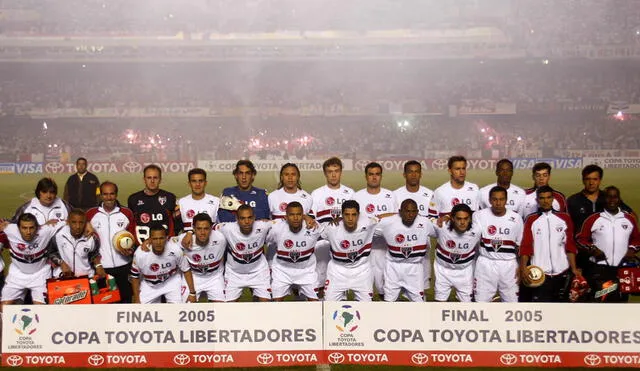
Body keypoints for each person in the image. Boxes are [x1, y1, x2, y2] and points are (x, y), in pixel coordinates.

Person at [576, 186, 640, 303]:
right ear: (603, 199)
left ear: (619, 199)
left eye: (615, 197)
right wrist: (592, 249)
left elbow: (637, 239)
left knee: (620, 302)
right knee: (599, 300)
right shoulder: (594, 219)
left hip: (622, 270)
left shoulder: (629, 219)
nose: (612, 200)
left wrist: (632, 249)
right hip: (600, 269)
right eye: (608, 197)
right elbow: (580, 239)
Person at [519, 186, 581, 302]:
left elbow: (570, 245)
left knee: (562, 311)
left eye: (548, 197)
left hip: (562, 272)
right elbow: (526, 246)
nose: (545, 201)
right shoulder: (531, 220)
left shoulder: (564, 218)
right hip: (540, 274)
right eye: (542, 198)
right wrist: (523, 268)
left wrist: (574, 269)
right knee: (541, 310)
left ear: (553, 199)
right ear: (537, 200)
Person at [376, 199, 436, 302]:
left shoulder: (425, 223)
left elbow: (442, 232)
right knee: (389, 301)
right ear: (400, 212)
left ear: (417, 212)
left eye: (413, 211)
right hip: (393, 268)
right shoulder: (388, 222)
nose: (410, 214)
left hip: (415, 268)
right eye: (407, 211)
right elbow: (365, 227)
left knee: (418, 302)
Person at [310, 157, 354, 296]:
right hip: (322, 243)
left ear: (341, 172)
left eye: (336, 171)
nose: (333, 175)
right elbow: (312, 220)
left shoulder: (350, 193)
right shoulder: (317, 194)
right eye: (330, 172)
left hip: (342, 244)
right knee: (320, 280)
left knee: (340, 281)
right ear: (325, 173)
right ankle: (319, 312)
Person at [353, 162, 397, 300]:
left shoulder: (390, 195)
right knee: (362, 286)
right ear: (366, 176)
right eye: (371, 174)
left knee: (385, 285)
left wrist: (381, 217)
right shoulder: (357, 197)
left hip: (385, 247)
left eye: (377, 174)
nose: (374, 177)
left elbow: (397, 217)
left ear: (381, 176)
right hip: (364, 248)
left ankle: (385, 311)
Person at [86, 181, 136, 303]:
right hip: (102, 268)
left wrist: (131, 250)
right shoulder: (91, 214)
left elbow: (134, 237)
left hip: (124, 266)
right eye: (105, 194)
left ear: (116, 194)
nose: (109, 197)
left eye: (112, 194)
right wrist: (97, 264)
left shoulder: (126, 213)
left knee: (125, 302)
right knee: (105, 305)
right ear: (101, 195)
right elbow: (85, 242)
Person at [472, 186, 524, 302]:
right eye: (495, 199)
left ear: (506, 200)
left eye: (501, 199)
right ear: (490, 200)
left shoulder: (516, 218)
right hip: (485, 263)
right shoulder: (479, 216)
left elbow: (520, 245)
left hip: (509, 265)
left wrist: (520, 266)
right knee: (481, 302)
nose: (498, 203)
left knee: (511, 303)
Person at [0, 213, 65, 305]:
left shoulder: (46, 230)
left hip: (40, 274)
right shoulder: (10, 229)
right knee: (4, 308)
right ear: (18, 228)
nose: (28, 232)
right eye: (24, 228)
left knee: (40, 309)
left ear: (37, 227)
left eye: (31, 228)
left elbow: (69, 221)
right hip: (17, 274)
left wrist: (87, 224)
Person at [321, 200, 378, 301]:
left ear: (358, 215)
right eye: (346, 215)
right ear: (341, 215)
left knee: (367, 308)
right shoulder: (331, 228)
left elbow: (390, 218)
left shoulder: (369, 223)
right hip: (337, 271)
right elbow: (311, 228)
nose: (350, 218)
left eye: (354, 215)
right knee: (329, 305)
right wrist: (305, 217)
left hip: (362, 271)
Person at [393, 160, 436, 293]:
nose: (413, 175)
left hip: (421, 251)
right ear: (404, 174)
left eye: (416, 171)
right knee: (396, 291)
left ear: (420, 174)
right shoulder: (395, 195)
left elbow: (434, 221)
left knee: (419, 291)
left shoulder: (430, 195)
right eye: (410, 172)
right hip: (399, 250)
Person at [266, 202, 323, 301]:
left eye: (299, 214)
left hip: (306, 271)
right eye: (292, 215)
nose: (296, 218)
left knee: (315, 304)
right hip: (282, 271)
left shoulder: (313, 227)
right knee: (276, 304)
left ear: (303, 215)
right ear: (286, 217)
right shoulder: (276, 228)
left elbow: (333, 231)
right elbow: (258, 231)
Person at [217, 205, 273, 302]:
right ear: (237, 219)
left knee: (266, 306)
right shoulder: (227, 228)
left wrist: (306, 217)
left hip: (259, 272)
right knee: (228, 309)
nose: (247, 222)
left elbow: (284, 222)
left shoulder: (263, 225)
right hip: (234, 274)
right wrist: (189, 234)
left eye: (249, 218)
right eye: (242, 218)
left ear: (254, 218)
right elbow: (208, 227)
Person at [130, 225, 196, 304]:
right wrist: (137, 298)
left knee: (178, 309)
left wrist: (192, 293)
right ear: (150, 239)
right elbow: (135, 277)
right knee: (141, 310)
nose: (158, 242)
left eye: (161, 238)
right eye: (155, 239)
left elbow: (186, 270)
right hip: (150, 285)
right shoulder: (140, 254)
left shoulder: (175, 249)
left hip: (171, 281)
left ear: (166, 238)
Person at [433, 204, 480, 302]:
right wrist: (445, 216)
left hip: (465, 272)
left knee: (466, 307)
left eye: (466, 219)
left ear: (470, 219)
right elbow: (421, 221)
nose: (462, 222)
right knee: (439, 304)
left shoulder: (477, 230)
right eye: (459, 219)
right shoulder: (441, 226)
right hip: (443, 271)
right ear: (452, 218)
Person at [178, 213, 226, 302]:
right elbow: (165, 242)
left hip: (215, 278)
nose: (202, 233)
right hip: (193, 278)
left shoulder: (220, 237)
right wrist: (148, 241)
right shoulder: (184, 240)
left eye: (206, 229)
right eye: (199, 229)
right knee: (185, 309)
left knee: (222, 311)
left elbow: (236, 226)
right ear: (193, 228)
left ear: (211, 228)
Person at [127, 164, 177, 244]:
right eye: (149, 178)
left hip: (165, 247)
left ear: (160, 179)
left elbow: (175, 224)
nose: (152, 181)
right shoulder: (133, 199)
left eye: (155, 178)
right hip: (142, 249)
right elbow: (131, 226)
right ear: (144, 179)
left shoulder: (170, 197)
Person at [50, 208, 105, 278]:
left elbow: (94, 254)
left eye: (81, 222)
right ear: (68, 222)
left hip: (86, 277)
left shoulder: (92, 238)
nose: (78, 226)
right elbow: (51, 252)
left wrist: (98, 266)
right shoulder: (58, 235)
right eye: (74, 222)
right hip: (63, 277)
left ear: (85, 223)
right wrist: (61, 263)